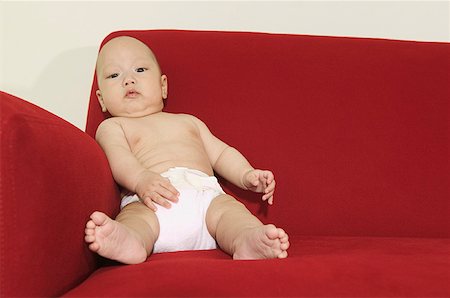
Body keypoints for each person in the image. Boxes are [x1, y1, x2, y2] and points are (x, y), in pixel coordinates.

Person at [84, 36, 290, 264]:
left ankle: (246, 240)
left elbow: (221, 153)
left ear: (163, 86)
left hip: (205, 197)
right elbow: (118, 158)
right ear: (102, 100)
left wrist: (246, 175)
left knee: (232, 213)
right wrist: (141, 179)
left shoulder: (189, 122)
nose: (129, 80)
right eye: (114, 75)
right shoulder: (113, 126)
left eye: (140, 69)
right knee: (136, 218)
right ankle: (132, 241)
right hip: (151, 198)